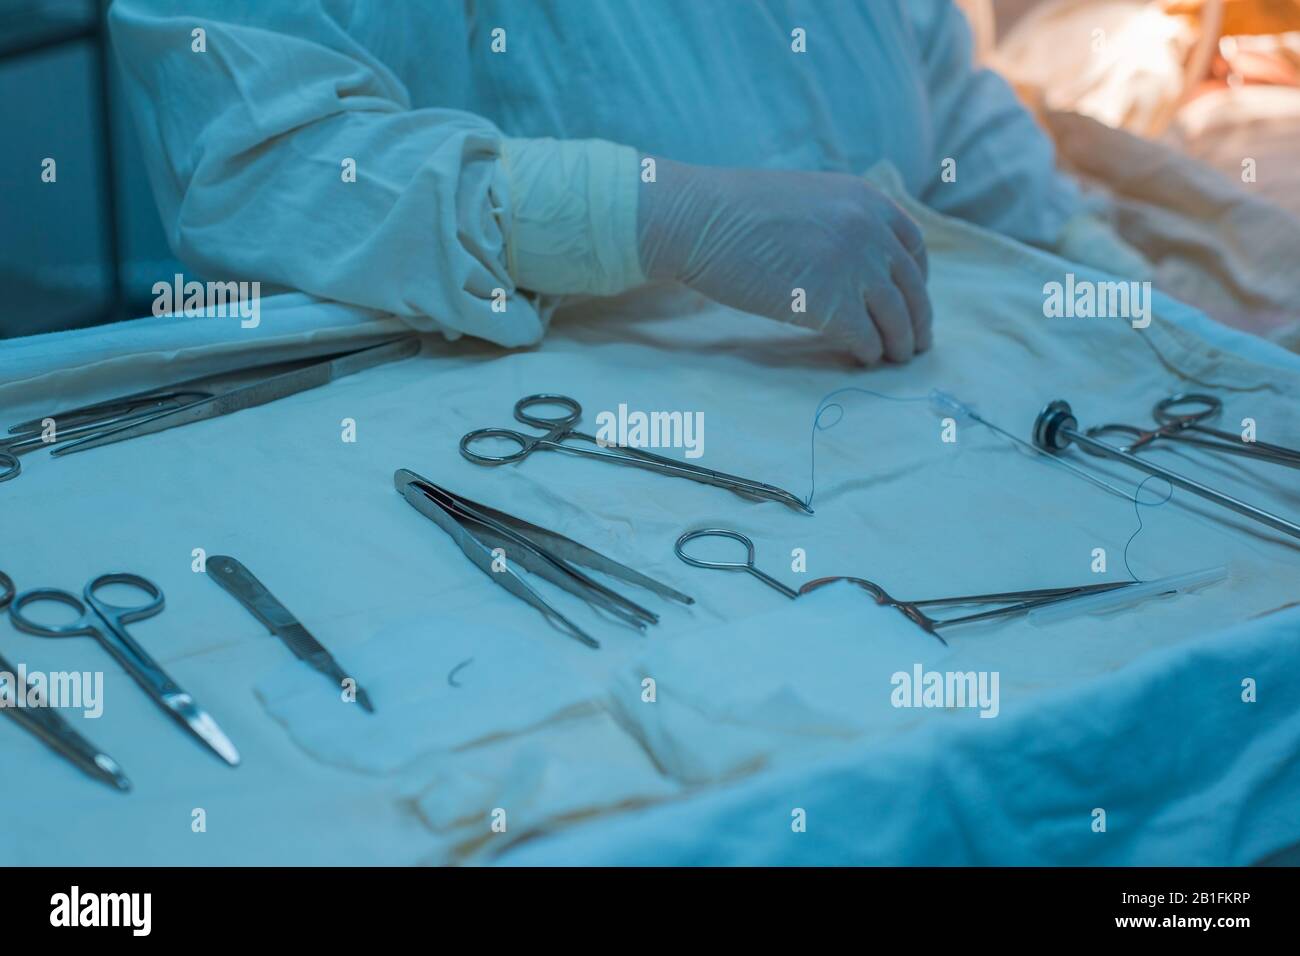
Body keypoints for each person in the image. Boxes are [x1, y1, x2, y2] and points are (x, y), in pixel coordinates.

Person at [109, 0, 1141, 365]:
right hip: (554, 466)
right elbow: (264, 161)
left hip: (904, 415)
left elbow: (930, 71)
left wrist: (1093, 263)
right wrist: (655, 216)